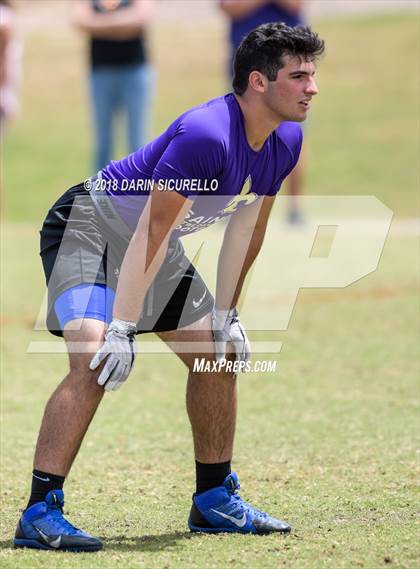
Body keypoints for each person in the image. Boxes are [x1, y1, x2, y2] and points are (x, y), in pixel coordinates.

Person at [14, 23, 324, 552]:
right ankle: (40, 513)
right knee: (93, 357)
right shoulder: (206, 134)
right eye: (298, 76)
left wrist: (227, 313)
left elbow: (247, 230)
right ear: (258, 81)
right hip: (88, 226)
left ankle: (213, 500)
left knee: (215, 356)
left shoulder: (285, 140)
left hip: (150, 248)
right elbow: (151, 232)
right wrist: (122, 328)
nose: (312, 88)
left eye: (313, 76)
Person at [220, 0, 308, 224]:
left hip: (288, 63)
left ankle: (295, 208)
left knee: (292, 135)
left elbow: (296, 4)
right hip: (246, 63)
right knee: (239, 133)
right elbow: (229, 6)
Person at [73, 0, 154, 172]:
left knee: (137, 142)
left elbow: (141, 19)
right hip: (100, 73)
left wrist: (99, 23)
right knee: (103, 144)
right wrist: (123, 25)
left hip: (135, 71)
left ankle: (139, 196)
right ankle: (99, 197)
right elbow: (81, 21)